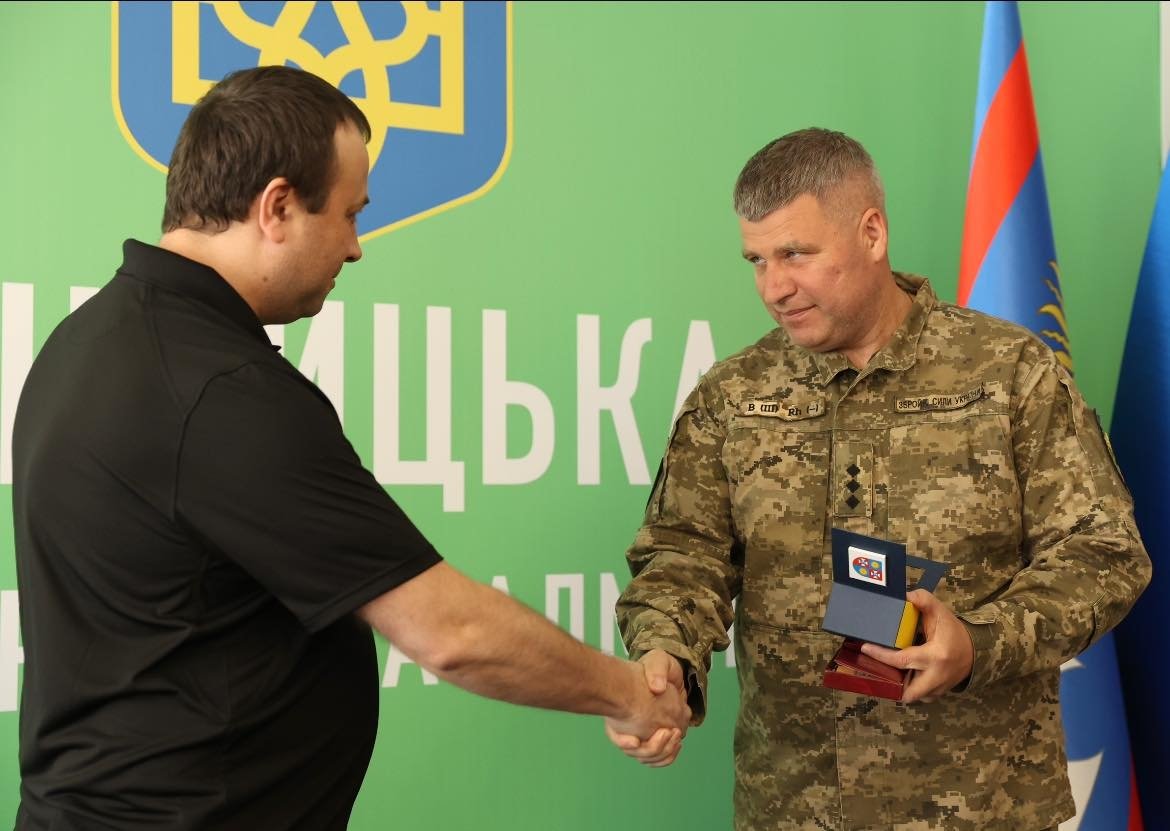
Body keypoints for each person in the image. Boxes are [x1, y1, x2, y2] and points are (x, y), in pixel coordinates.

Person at [11, 65, 688, 830]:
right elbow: (452, 633)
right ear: (276, 207)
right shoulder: (221, 390)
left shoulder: (86, 341)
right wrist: (629, 694)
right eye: (348, 215)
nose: (355, 247)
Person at [610, 127, 1152, 830]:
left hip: (982, 808)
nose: (774, 287)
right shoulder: (733, 395)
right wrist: (666, 654)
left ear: (871, 232)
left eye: (796, 254)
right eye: (757, 260)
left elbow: (1105, 553)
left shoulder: (1008, 373)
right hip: (795, 808)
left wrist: (980, 641)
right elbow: (683, 555)